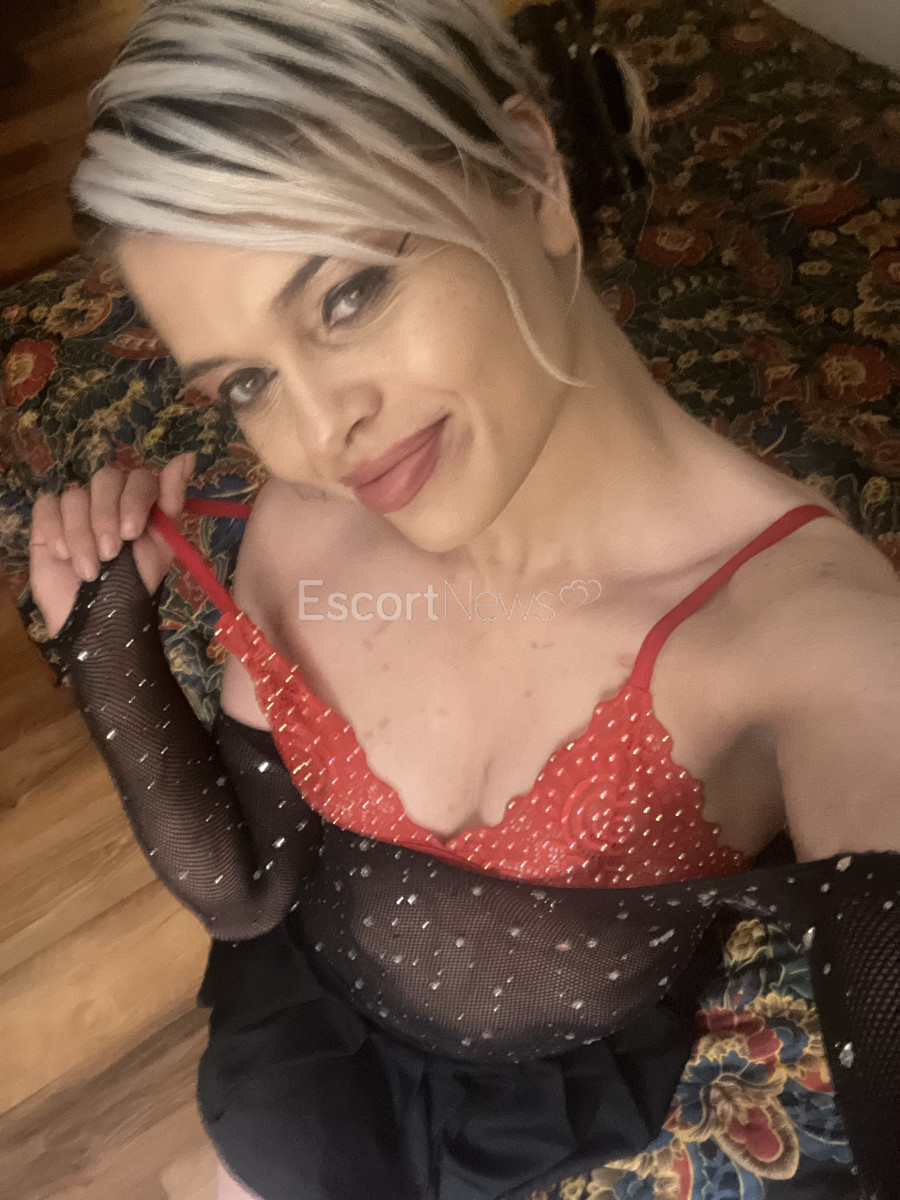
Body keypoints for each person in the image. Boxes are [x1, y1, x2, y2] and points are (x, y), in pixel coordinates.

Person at [24, 0, 900, 1197]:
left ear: (535, 176)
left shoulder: (821, 650)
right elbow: (245, 892)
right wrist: (106, 646)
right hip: (307, 1023)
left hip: (538, 1096)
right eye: (246, 384)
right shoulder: (299, 526)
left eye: (347, 295)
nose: (320, 430)